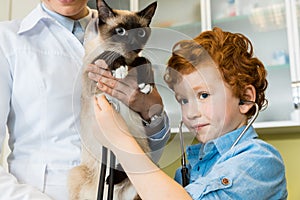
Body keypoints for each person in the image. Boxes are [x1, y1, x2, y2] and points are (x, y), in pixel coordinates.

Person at [0, 0, 170, 199]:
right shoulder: (7, 40)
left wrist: (150, 109)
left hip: (129, 190)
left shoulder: (123, 26)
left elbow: (154, 145)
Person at [93, 27, 288, 199]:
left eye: (203, 95)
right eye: (183, 100)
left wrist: (120, 141)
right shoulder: (192, 166)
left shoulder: (260, 161)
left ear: (245, 99)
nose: (191, 113)